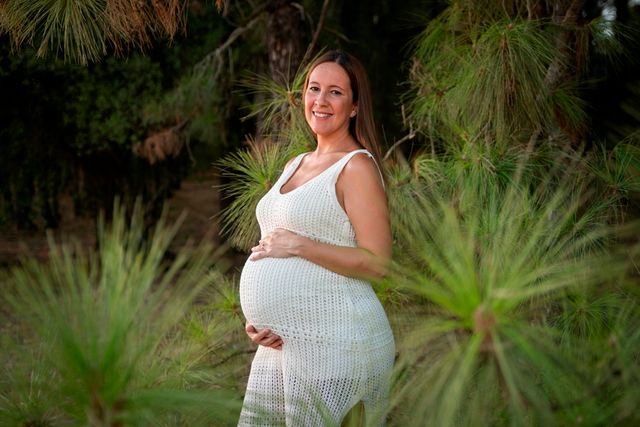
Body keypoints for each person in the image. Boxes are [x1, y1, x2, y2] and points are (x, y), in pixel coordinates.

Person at [238, 50, 395, 426]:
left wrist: (300, 245)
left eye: (336, 92)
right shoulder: (295, 163)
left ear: (355, 107)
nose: (321, 101)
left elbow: (378, 262)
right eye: (314, 88)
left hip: (338, 343)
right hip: (286, 347)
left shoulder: (356, 166)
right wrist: (260, 323)